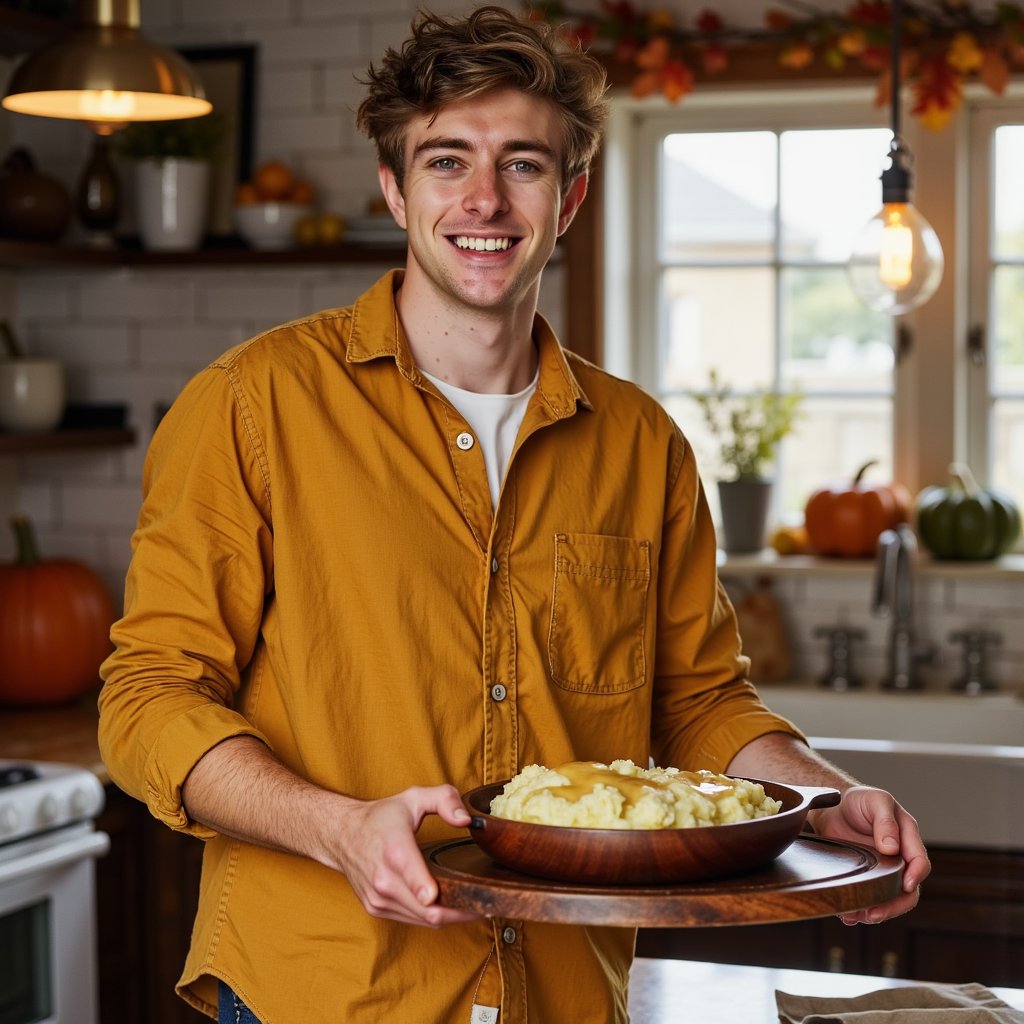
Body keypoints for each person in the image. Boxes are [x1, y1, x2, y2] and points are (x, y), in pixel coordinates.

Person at [97, 7, 930, 1023]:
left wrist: (822, 796)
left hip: (567, 991)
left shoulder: (641, 443)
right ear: (395, 188)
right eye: (447, 161)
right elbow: (148, 701)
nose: (484, 199)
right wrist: (341, 828)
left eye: (523, 165)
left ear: (569, 197)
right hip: (325, 990)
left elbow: (697, 701)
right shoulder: (252, 404)